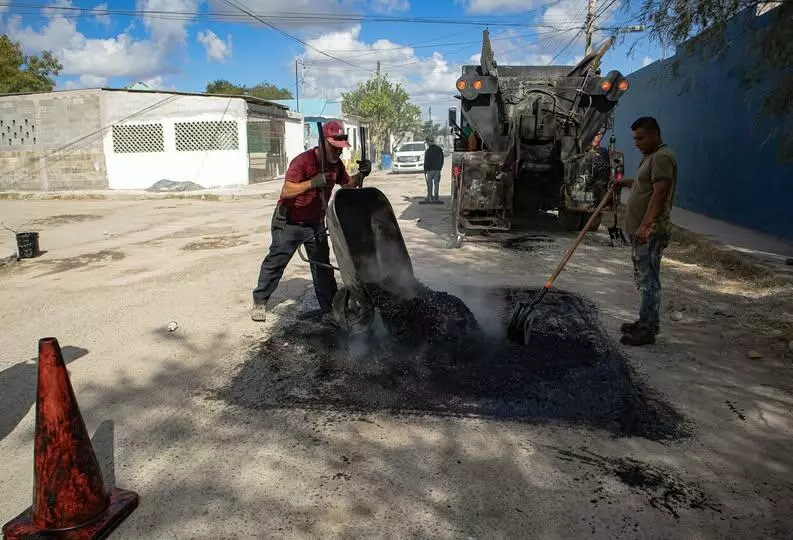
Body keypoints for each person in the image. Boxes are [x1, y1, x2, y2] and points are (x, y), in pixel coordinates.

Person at [251, 120, 372, 322]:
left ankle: (331, 309)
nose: (338, 153)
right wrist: (312, 182)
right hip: (289, 221)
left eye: (341, 149)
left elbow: (348, 186)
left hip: (315, 223)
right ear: (323, 142)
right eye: (334, 148)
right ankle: (260, 301)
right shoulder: (303, 161)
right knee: (276, 262)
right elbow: (287, 190)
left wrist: (361, 174)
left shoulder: (336, 166)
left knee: (321, 267)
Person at [615, 116, 678, 346]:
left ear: (654, 134)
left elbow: (660, 193)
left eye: (641, 138)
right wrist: (625, 183)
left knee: (649, 280)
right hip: (643, 230)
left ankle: (648, 330)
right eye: (635, 138)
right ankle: (644, 321)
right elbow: (645, 185)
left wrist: (646, 225)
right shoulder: (651, 158)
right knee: (643, 279)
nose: (637, 143)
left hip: (651, 231)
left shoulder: (662, 158)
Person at [423, 136, 444, 202]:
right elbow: (442, 159)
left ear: (429, 142)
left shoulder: (428, 151)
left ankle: (430, 196)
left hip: (430, 170)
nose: (427, 144)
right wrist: (440, 167)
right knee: (436, 183)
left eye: (427, 142)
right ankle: (436, 196)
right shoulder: (439, 149)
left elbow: (426, 161)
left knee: (430, 183)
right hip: (437, 169)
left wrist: (425, 169)